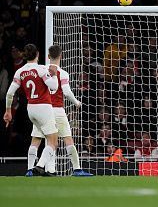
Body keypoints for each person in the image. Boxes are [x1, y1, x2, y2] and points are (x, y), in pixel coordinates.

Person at [27, 45, 93, 176]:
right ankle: (77, 169)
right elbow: (67, 92)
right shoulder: (62, 73)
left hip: (43, 110)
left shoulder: (41, 70)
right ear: (61, 56)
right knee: (67, 139)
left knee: (36, 139)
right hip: (57, 110)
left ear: (48, 56)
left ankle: (30, 170)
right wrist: (76, 102)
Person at [4, 44, 59, 176]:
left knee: (36, 138)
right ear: (38, 54)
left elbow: (9, 93)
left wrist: (8, 111)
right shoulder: (41, 69)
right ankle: (39, 166)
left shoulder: (20, 71)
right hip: (44, 107)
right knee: (53, 141)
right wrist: (54, 75)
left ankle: (30, 170)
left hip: (31, 109)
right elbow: (54, 87)